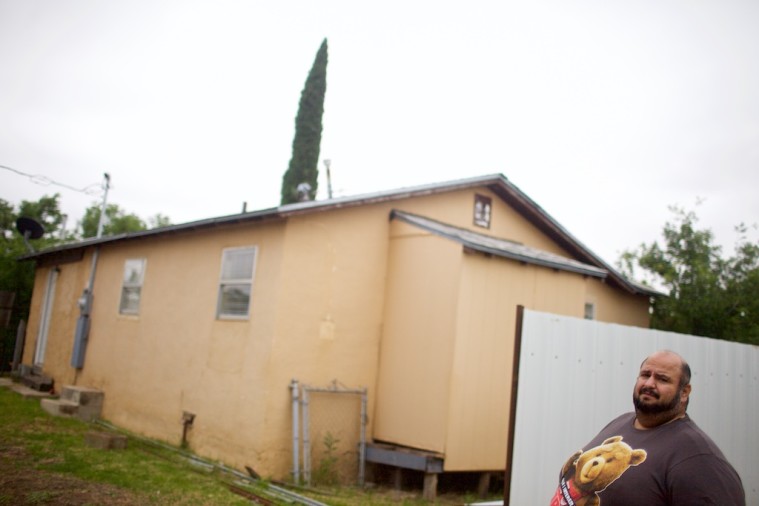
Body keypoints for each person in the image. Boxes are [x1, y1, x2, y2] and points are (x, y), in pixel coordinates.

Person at [551, 349, 745, 506]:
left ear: (684, 392)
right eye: (645, 375)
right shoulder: (621, 423)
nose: (649, 383)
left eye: (662, 379)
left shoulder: (698, 458)